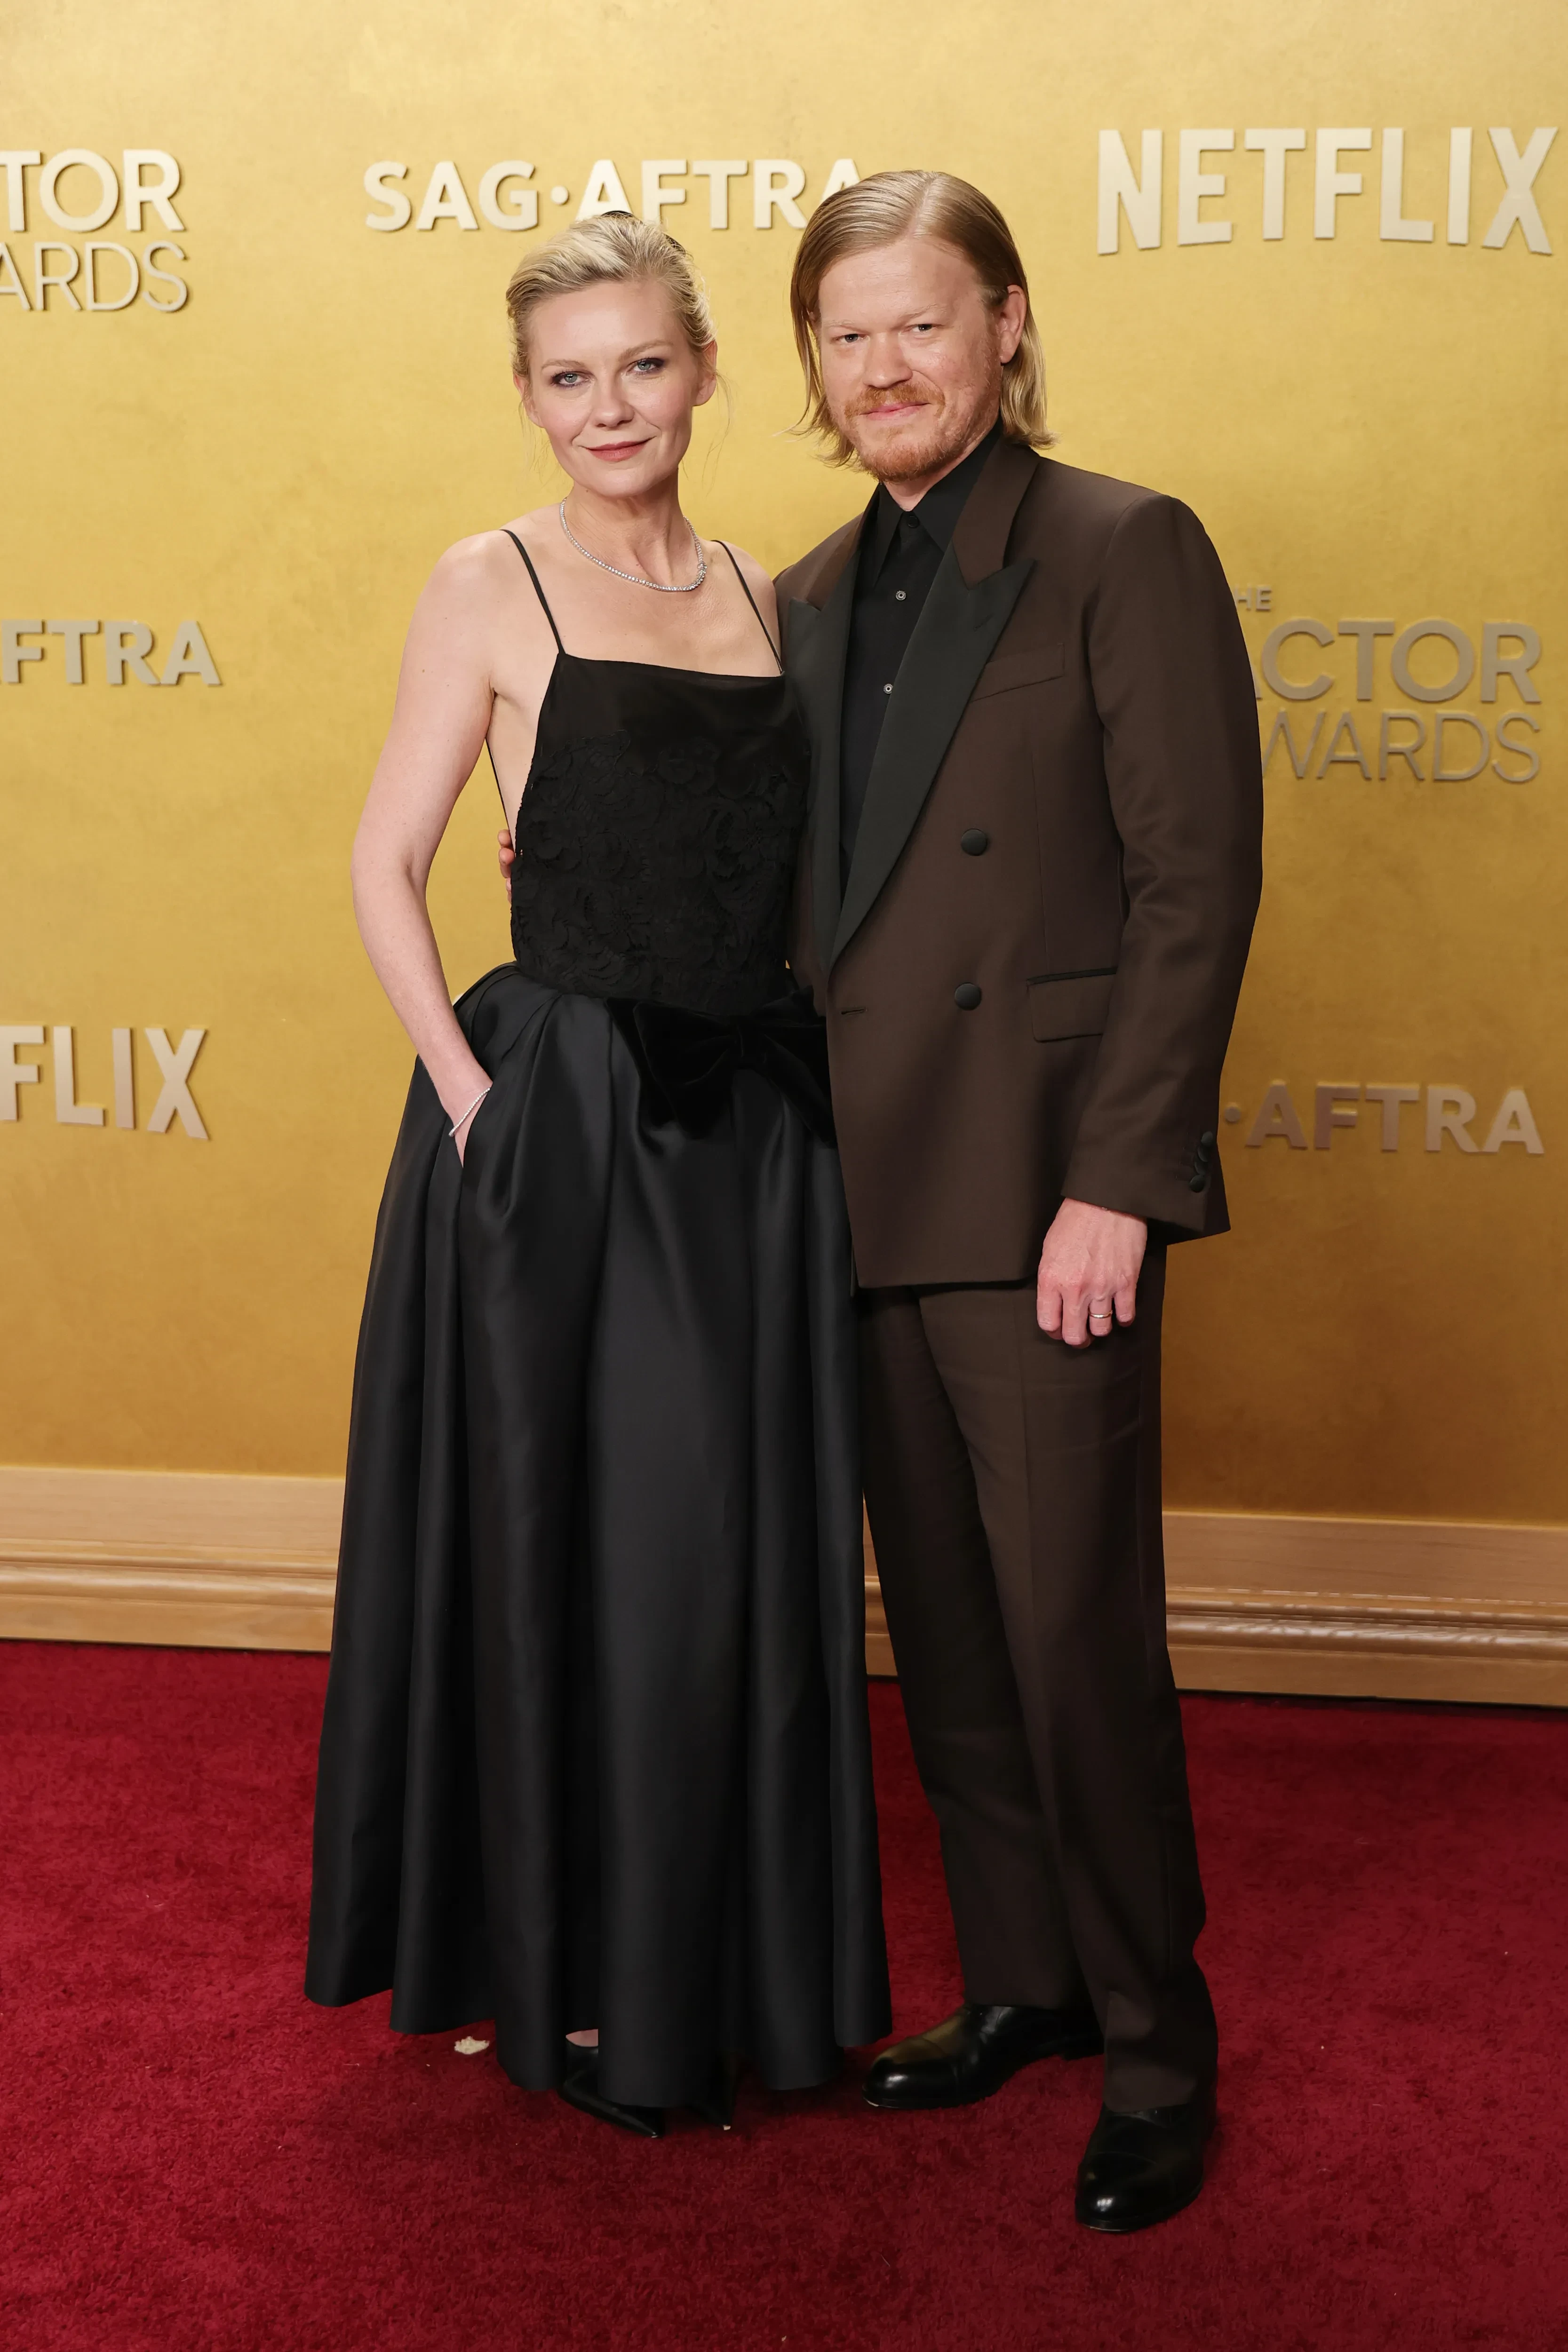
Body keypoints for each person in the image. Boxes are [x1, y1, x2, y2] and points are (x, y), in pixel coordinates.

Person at [305, 213, 890, 2138]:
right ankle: (566, 1983)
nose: (608, 405)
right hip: (562, 1124)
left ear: (706, 371)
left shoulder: (764, 592)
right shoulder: (485, 581)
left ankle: (714, 1975)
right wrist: (471, 1098)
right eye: (569, 376)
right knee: (582, 1548)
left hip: (752, 1133)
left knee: (724, 1557)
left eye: (642, 364)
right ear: (529, 397)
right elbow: (385, 860)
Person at [775, 170, 1263, 2231]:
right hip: (859, 1193)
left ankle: (1156, 2050)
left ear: (1006, 324)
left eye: (921, 320)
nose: (885, 365)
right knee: (954, 1646)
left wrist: (1117, 1185)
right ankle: (1022, 1984)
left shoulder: (1118, 546)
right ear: (811, 365)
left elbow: (1192, 885)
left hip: (1044, 1193)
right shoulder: (799, 597)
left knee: (1073, 1643)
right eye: (847, 332)